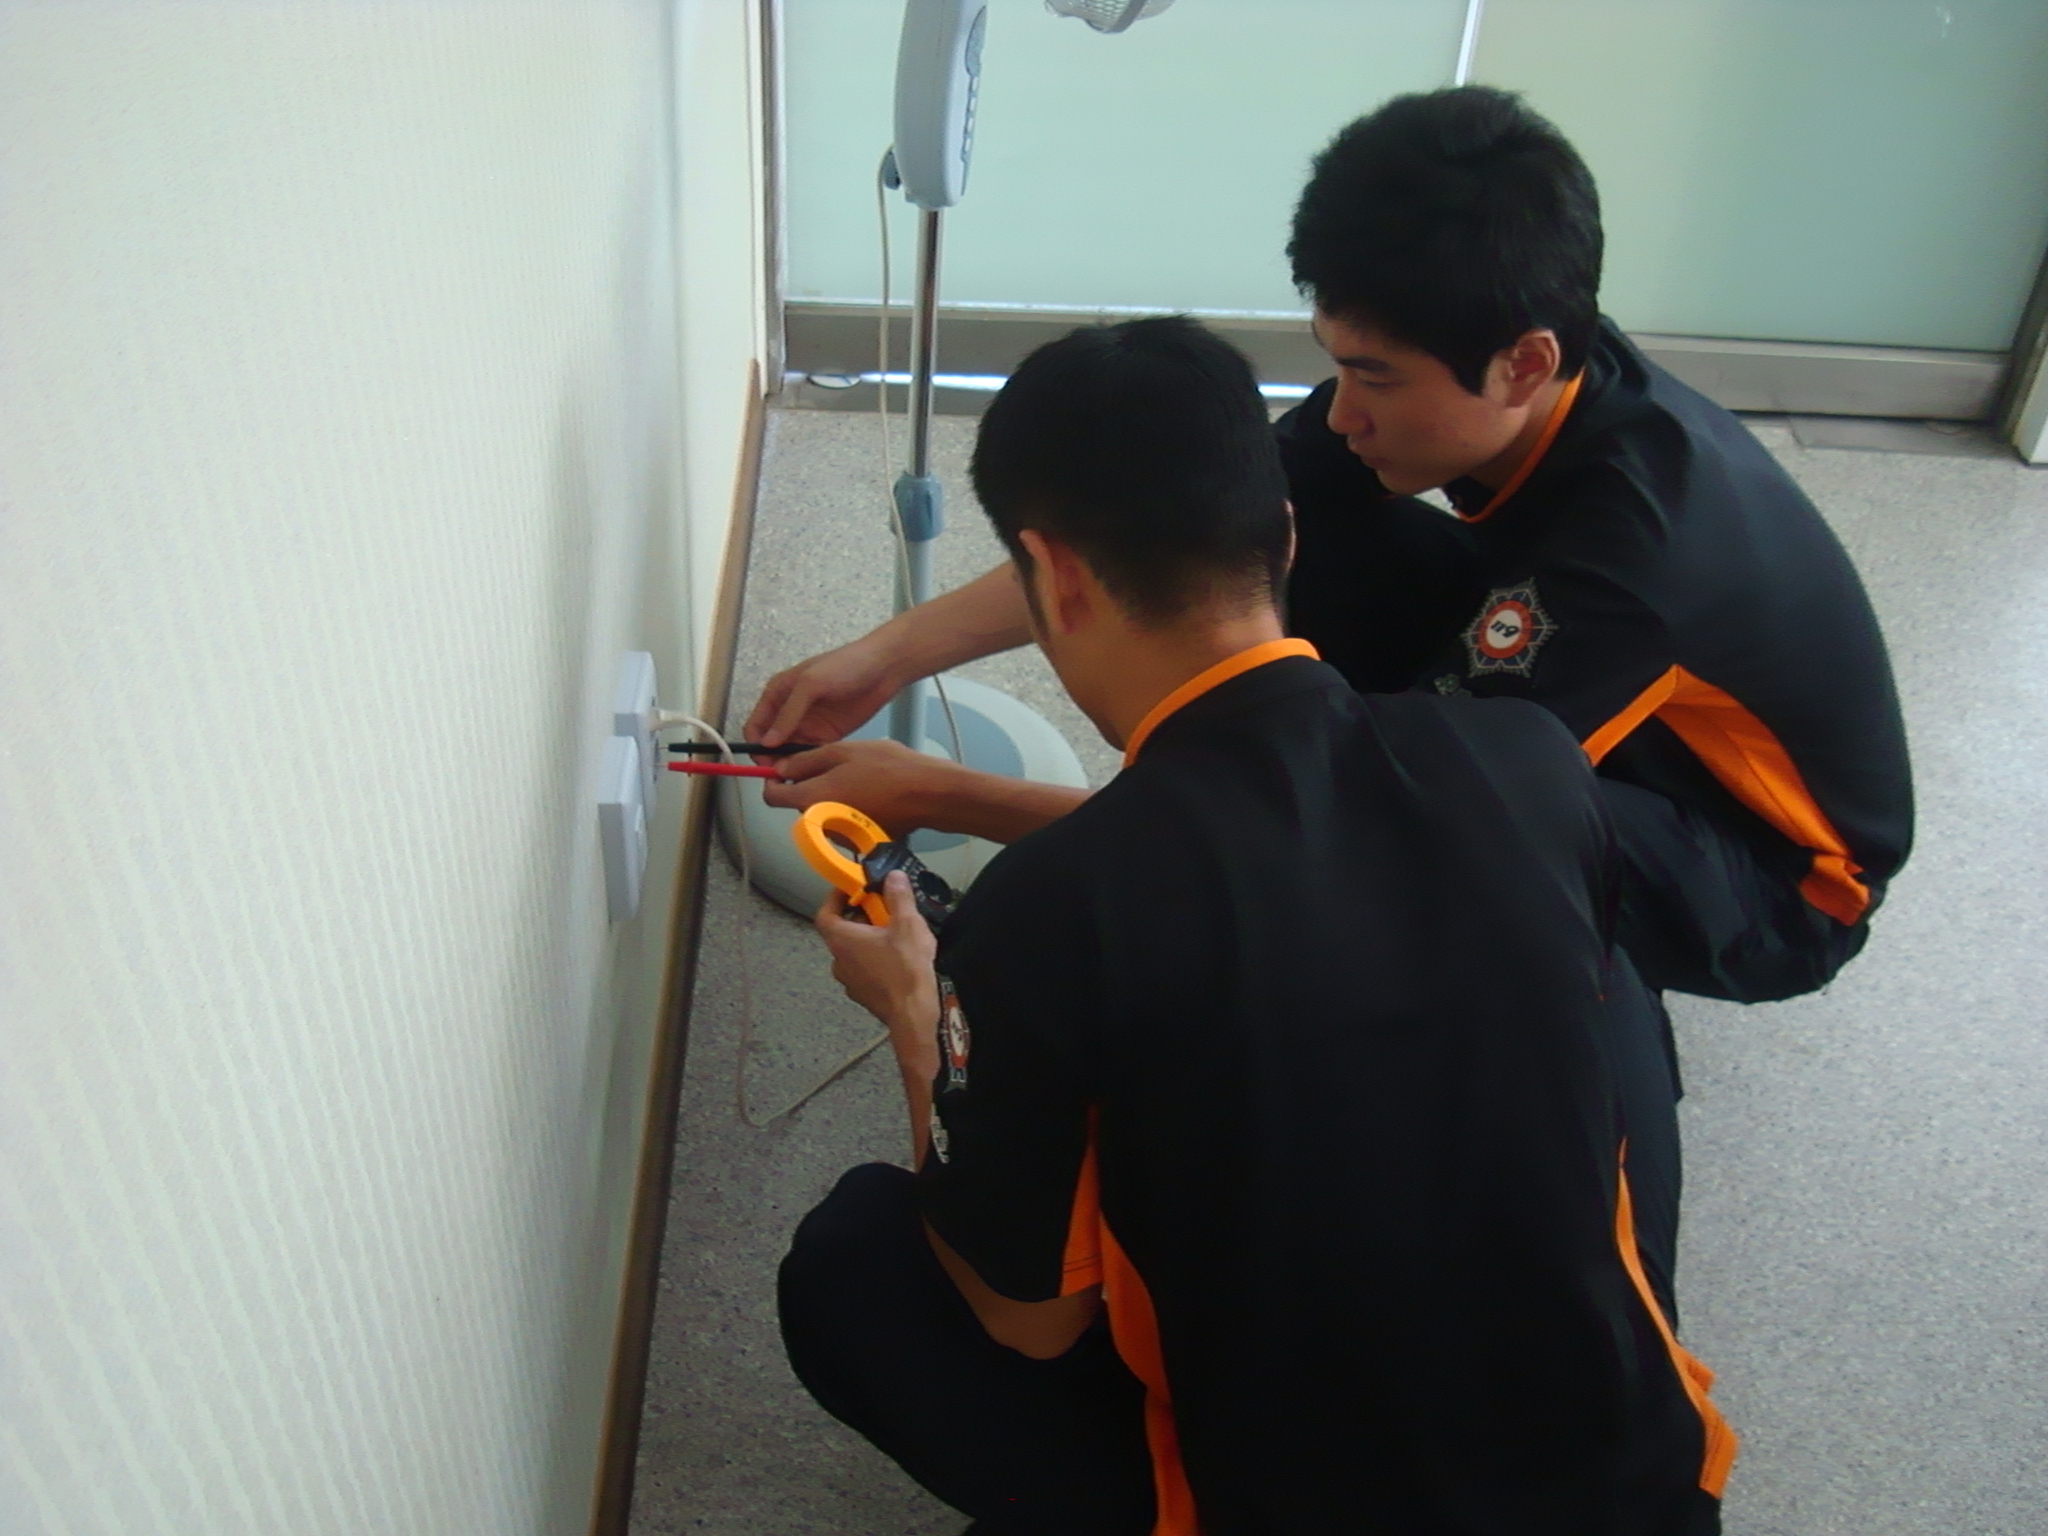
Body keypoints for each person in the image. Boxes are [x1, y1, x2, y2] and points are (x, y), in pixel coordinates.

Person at [777, 316, 1733, 1536]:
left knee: (852, 1255)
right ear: (1285, 533)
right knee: (1607, 999)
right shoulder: (1527, 759)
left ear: (1051, 576)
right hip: (1644, 1496)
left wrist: (920, 1014)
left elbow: (1024, 1319)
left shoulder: (1046, 913)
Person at [746, 85, 1912, 1010]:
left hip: (1764, 877)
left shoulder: (1635, 559)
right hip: (1601, 698)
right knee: (1269, 536)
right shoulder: (1509, 355)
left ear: (1524, 365)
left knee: (1380, 839)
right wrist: (886, 656)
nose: (1341, 413)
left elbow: (1342, 826)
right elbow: (1163, 530)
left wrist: (948, 796)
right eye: (1334, 363)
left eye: (1374, 378)